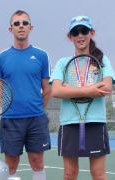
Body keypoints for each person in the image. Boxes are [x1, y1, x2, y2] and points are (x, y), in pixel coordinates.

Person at [50, 15, 115, 180]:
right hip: (70, 123)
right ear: (69, 36)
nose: (80, 35)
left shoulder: (102, 61)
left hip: (95, 121)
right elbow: (56, 91)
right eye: (75, 32)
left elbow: (106, 87)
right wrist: (91, 90)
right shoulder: (62, 63)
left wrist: (70, 89)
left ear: (91, 33)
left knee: (98, 174)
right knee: (69, 174)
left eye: (84, 30)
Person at [0, 10, 51, 180]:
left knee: (37, 162)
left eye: (25, 23)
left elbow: (47, 89)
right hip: (11, 119)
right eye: (16, 23)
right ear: (10, 29)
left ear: (30, 28)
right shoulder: (1, 58)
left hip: (36, 119)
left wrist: (39, 109)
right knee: (10, 165)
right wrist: (5, 109)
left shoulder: (41, 55)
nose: (21, 26)